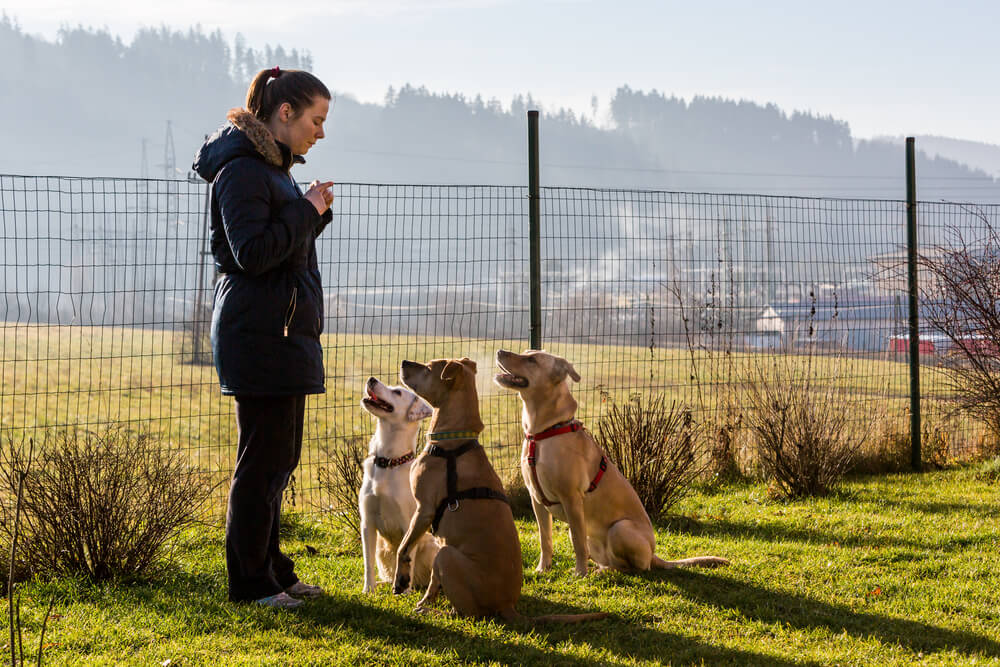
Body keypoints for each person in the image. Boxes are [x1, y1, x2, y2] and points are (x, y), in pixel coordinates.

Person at [192, 67, 334, 609]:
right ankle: (250, 585)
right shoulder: (243, 173)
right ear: (284, 114)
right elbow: (251, 253)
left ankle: (273, 572)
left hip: (281, 333)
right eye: (315, 120)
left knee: (278, 460)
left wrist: (309, 215)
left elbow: (279, 249)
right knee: (262, 463)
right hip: (258, 336)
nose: (319, 132)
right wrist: (305, 210)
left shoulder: (274, 170)